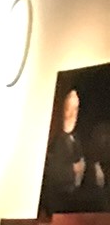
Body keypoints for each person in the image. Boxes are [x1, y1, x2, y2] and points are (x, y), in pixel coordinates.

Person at [40, 86, 104, 215]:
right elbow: (49, 172)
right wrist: (73, 169)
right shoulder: (52, 140)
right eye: (68, 108)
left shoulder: (77, 139)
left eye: (75, 109)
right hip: (58, 205)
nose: (72, 114)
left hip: (74, 203)